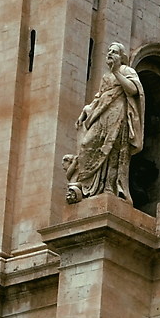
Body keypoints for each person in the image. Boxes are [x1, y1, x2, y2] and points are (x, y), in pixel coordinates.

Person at [65, 42, 143, 202]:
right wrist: (86, 110)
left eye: (114, 52)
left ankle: (109, 187)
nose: (109, 54)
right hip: (101, 114)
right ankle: (87, 185)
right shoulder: (106, 77)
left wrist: (116, 72)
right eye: (108, 51)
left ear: (121, 57)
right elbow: (100, 96)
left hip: (118, 114)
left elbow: (133, 90)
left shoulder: (127, 70)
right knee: (87, 145)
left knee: (112, 150)